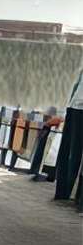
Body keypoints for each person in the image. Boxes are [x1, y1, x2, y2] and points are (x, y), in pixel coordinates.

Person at [54, 67, 83, 210]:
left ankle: (77, 198)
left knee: (73, 153)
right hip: (74, 108)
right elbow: (76, 85)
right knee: (69, 153)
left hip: (78, 108)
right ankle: (65, 192)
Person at [29, 106, 63, 181]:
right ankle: (36, 171)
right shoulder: (54, 117)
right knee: (41, 153)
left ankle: (36, 171)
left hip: (47, 132)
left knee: (41, 153)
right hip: (47, 131)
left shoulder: (54, 116)